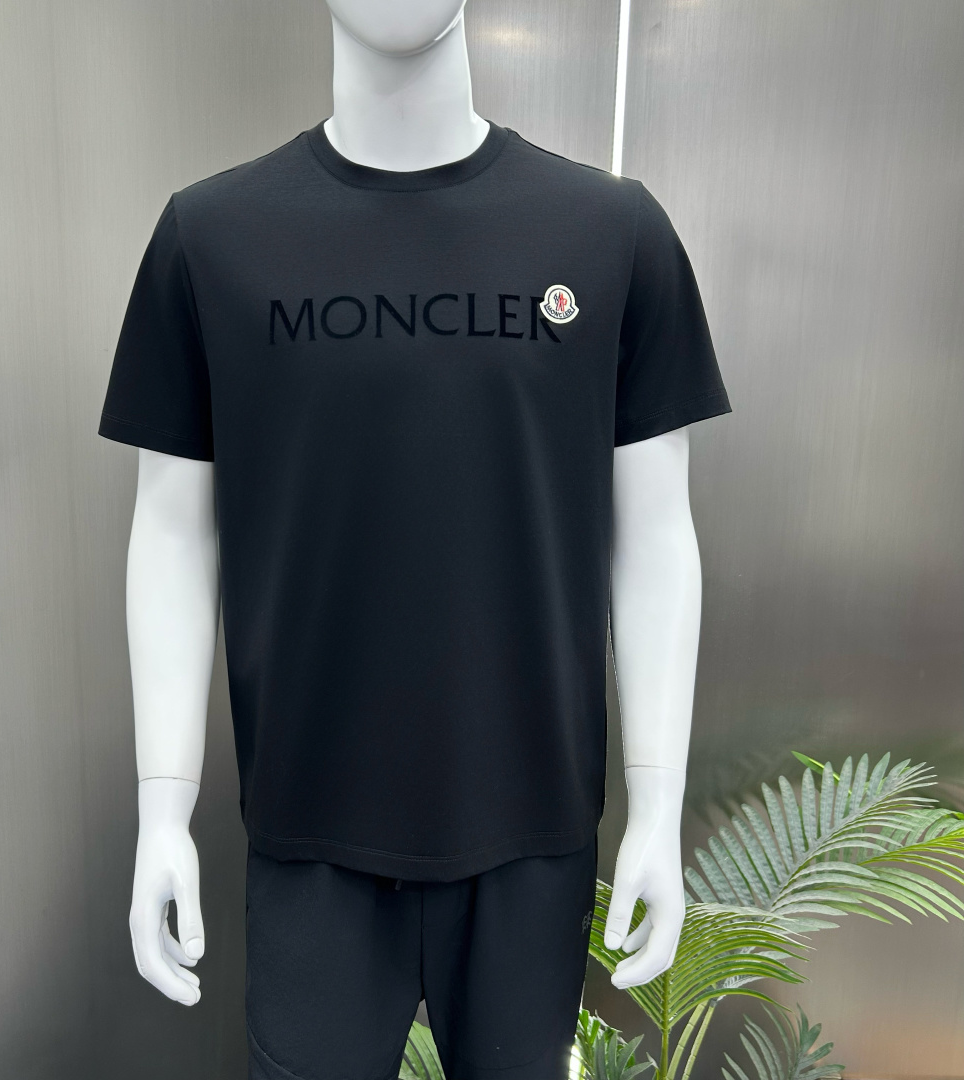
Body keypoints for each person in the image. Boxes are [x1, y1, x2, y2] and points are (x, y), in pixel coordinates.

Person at [99, 2, 731, 1077]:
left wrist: (657, 808)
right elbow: (169, 533)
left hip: (533, 832)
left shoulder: (611, 232)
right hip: (309, 833)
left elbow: (658, 536)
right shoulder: (210, 238)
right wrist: (164, 810)